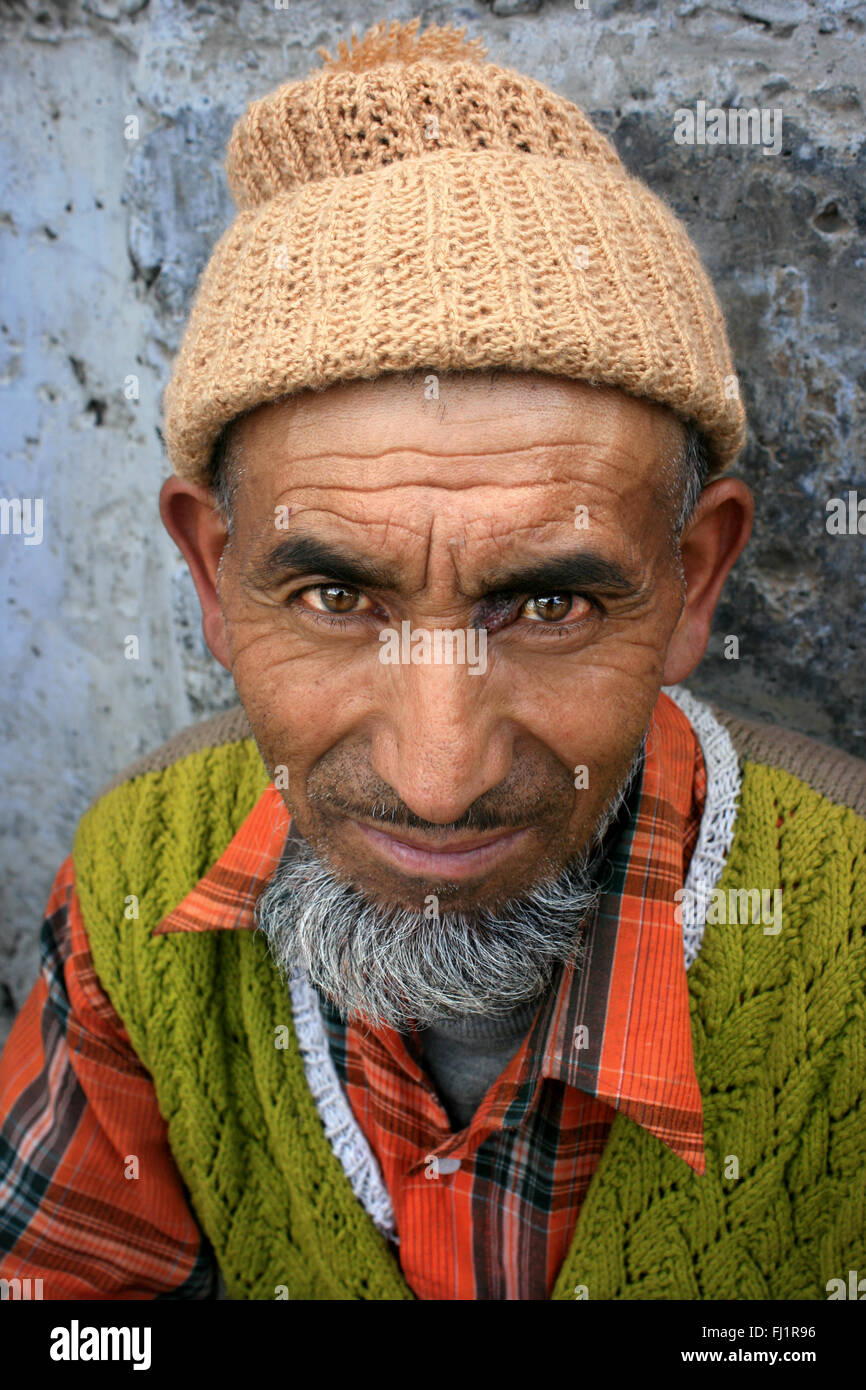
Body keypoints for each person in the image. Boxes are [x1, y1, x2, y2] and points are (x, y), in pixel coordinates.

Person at [1, 16, 863, 1302]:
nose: (439, 775)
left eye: (550, 607)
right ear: (211, 577)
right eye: (336, 593)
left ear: (695, 581)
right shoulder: (132, 890)